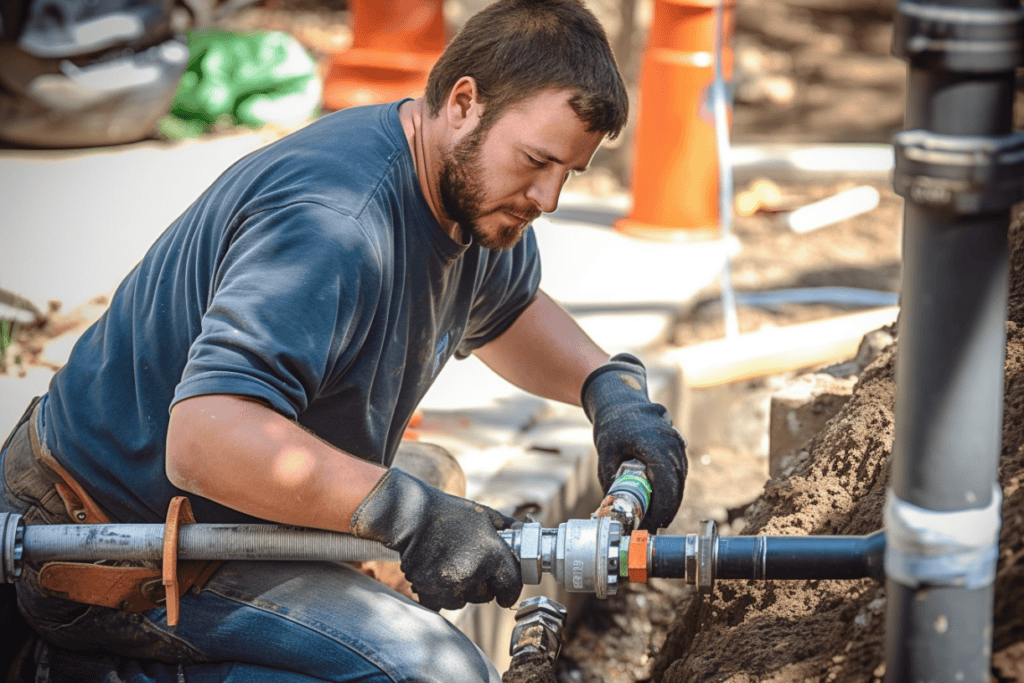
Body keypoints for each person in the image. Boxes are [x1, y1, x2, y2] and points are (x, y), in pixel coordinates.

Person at [0, 0, 688, 681]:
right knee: (437, 671)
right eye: (537, 161)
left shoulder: (470, 194)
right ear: (464, 102)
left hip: (216, 518)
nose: (549, 197)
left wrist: (606, 389)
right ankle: (97, 668)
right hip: (115, 545)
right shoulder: (335, 223)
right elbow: (205, 435)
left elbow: (507, 310)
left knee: (433, 478)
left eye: (568, 172)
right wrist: (408, 517)